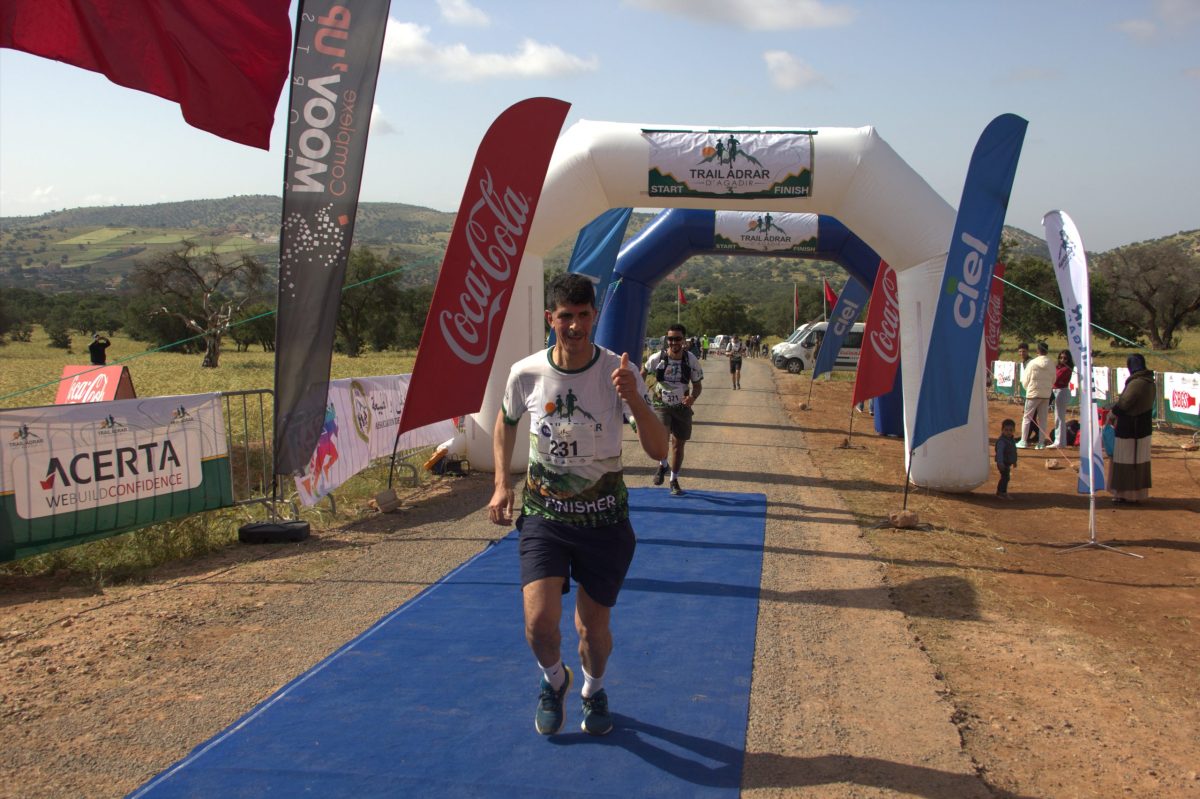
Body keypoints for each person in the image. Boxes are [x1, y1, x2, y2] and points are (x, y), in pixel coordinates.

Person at [488, 273, 668, 737]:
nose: (574, 326)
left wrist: (634, 398)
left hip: (604, 522)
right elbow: (505, 422)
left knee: (592, 630)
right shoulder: (526, 372)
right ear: (550, 318)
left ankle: (593, 688)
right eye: (565, 316)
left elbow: (659, 450)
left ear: (594, 316)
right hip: (545, 518)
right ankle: (554, 680)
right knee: (538, 623)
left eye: (583, 315)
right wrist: (501, 484)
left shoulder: (619, 373)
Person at [643, 323, 704, 495]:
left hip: (682, 407)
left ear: (683, 340)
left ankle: (673, 480)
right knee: (662, 440)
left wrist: (692, 398)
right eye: (670, 339)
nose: (673, 342)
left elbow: (697, 386)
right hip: (661, 405)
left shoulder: (691, 360)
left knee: (678, 445)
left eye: (677, 339)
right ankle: (663, 464)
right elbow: (642, 374)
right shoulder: (657, 358)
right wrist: (643, 392)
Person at [1107, 354, 1155, 504]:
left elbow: (1124, 404)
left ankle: (1124, 494)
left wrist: (1112, 412)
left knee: (1125, 462)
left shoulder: (1137, 383)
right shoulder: (1149, 382)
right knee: (1139, 463)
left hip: (1130, 429)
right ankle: (1136, 495)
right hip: (1143, 429)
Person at [1018, 342, 1054, 449]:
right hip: (1045, 394)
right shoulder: (1051, 363)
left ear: (1037, 351)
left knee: (1027, 418)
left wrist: (1028, 389)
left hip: (1033, 394)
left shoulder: (1032, 363)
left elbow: (1025, 380)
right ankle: (1041, 443)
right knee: (1043, 419)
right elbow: (1053, 379)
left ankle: (1023, 441)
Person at [1052, 349, 1074, 447]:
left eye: (1065, 358)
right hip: (1056, 391)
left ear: (1068, 359)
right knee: (1058, 417)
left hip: (1061, 391)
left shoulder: (1066, 369)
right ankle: (1061, 441)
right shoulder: (1058, 367)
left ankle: (1059, 441)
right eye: (1061, 358)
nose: (1062, 360)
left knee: (1059, 417)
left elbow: (1056, 378)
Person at [995, 418, 1018, 499]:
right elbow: (999, 453)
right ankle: (1002, 492)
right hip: (1003, 463)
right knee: (1005, 477)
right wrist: (1000, 463)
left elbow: (1014, 451)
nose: (1008, 432)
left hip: (1007, 462)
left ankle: (1000, 492)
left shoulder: (1011, 440)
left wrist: (1014, 461)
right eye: (1006, 430)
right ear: (1002, 430)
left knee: (1005, 477)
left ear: (1014, 430)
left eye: (1011, 430)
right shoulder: (1002, 441)